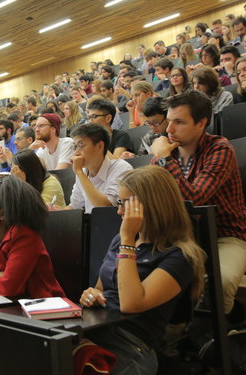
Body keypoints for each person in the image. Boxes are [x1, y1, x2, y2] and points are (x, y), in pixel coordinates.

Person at [80, 166, 206, 374]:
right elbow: (100, 289)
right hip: (96, 331)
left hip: (131, 346)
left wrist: (128, 240)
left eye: (125, 204)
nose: (119, 211)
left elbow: (132, 303)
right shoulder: (120, 239)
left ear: (152, 205)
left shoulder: (181, 255)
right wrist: (91, 295)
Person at [151, 90, 246, 316]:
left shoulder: (220, 149)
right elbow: (152, 199)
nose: (169, 129)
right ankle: (171, 339)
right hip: (183, 237)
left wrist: (164, 160)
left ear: (202, 123)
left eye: (179, 122)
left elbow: (194, 199)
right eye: (169, 121)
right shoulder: (165, 155)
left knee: (219, 281)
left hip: (225, 236)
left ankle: (210, 343)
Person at [0, 177, 65, 298]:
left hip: (43, 307)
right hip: (7, 305)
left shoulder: (25, 238)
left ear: (2, 214)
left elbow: (8, 289)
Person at [64, 124, 132, 213]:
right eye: (75, 146)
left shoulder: (121, 168)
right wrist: (56, 211)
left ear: (99, 146)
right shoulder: (83, 172)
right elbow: (74, 206)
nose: (76, 152)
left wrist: (79, 172)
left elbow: (106, 208)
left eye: (81, 145)